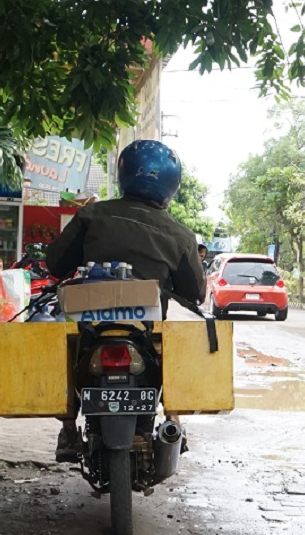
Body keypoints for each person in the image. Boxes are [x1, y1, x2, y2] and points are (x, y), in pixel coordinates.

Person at [45, 139, 207, 461]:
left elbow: (56, 265)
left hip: (90, 326)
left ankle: (68, 428)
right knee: (171, 354)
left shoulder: (92, 215)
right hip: (144, 328)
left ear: (124, 174)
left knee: (63, 352)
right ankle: (174, 421)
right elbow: (194, 294)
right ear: (171, 185)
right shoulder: (181, 235)